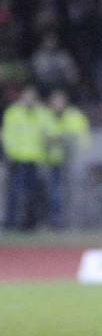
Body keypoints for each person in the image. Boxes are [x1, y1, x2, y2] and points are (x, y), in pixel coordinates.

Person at [1, 85, 49, 230]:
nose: (29, 100)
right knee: (14, 192)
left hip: (35, 159)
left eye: (32, 97)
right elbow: (6, 135)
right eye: (27, 96)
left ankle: (30, 224)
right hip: (17, 158)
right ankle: (10, 223)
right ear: (22, 97)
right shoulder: (13, 113)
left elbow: (47, 133)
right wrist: (9, 153)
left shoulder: (41, 113)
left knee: (33, 193)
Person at [44, 89, 91, 228]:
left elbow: (75, 138)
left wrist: (56, 139)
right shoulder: (46, 117)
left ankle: (73, 222)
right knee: (55, 193)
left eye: (60, 101)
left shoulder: (74, 116)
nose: (57, 104)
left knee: (72, 192)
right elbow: (44, 139)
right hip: (53, 161)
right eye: (55, 102)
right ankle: (57, 221)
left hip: (72, 161)